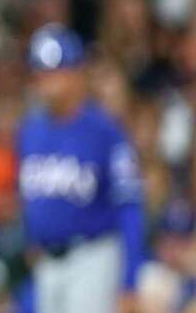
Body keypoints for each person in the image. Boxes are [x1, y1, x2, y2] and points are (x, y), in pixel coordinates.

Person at [17, 23, 147, 313]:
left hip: (92, 259)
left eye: (56, 71)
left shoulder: (105, 132)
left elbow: (129, 208)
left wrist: (129, 280)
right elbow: (31, 200)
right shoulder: (30, 131)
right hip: (46, 264)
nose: (46, 80)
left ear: (77, 73)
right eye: (40, 71)